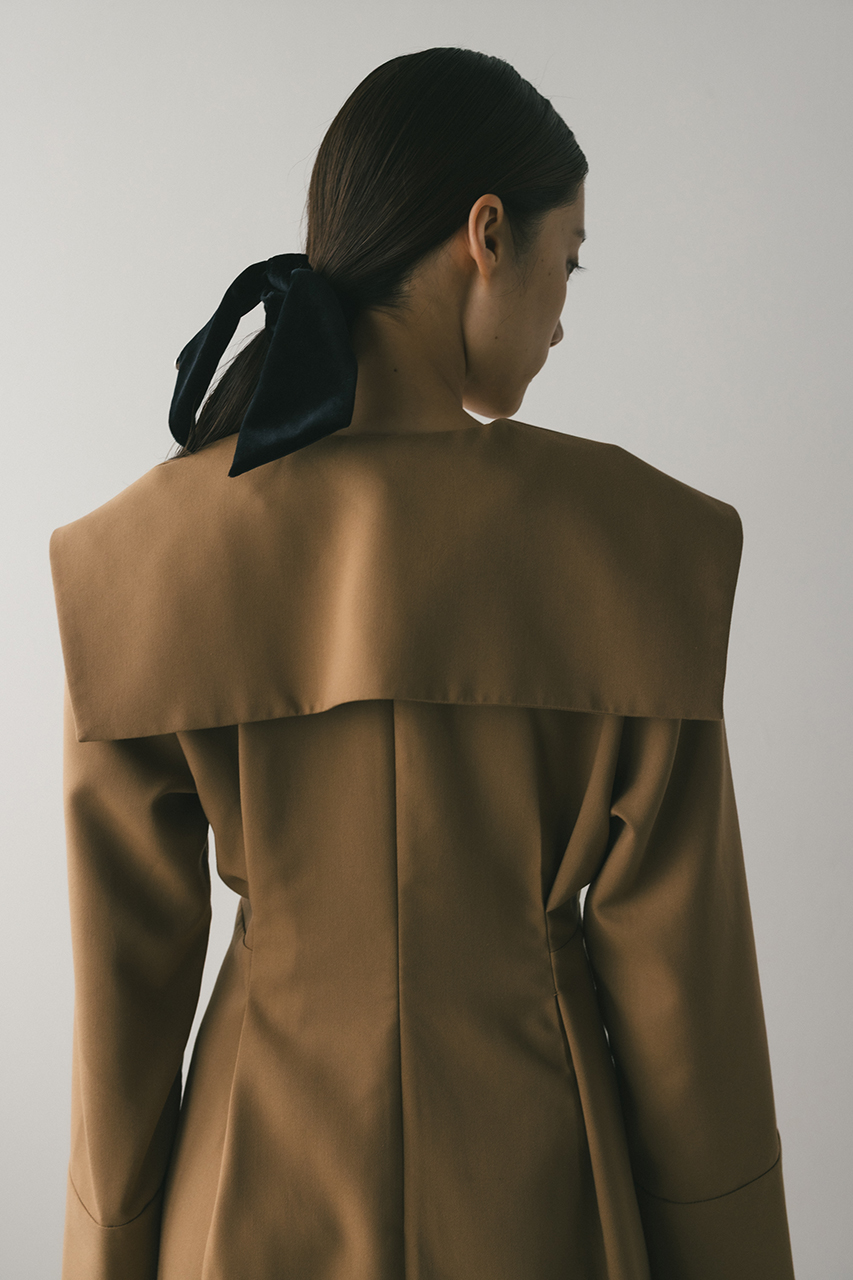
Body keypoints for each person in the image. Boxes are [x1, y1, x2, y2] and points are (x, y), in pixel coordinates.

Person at [49, 46, 796, 1280]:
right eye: (568, 259)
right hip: (547, 1195)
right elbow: (688, 1021)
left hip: (243, 1201)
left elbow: (121, 1024)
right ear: (485, 235)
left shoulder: (144, 557)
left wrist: (107, 1253)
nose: (565, 310)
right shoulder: (637, 547)